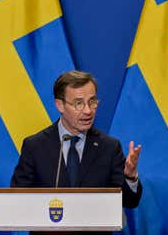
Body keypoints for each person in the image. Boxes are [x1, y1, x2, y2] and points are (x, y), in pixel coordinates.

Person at [11, 70, 143, 210]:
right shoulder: (35, 146)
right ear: (60, 105)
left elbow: (130, 202)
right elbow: (17, 201)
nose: (88, 111)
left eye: (92, 102)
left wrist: (130, 177)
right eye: (79, 103)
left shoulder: (109, 147)